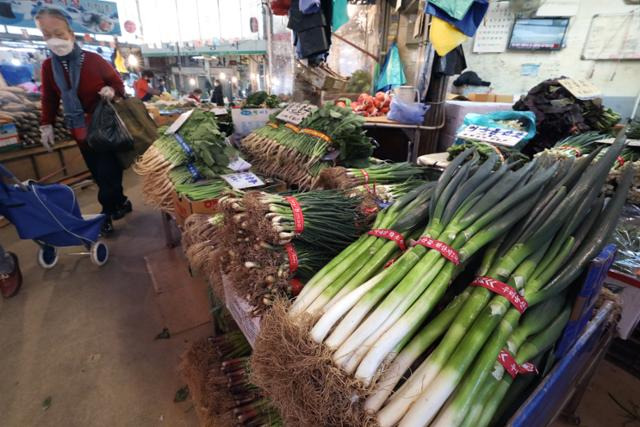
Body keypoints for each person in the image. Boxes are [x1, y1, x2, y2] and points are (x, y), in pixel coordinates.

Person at [37, 7, 130, 235]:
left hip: (103, 128)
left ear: (70, 31)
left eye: (58, 33)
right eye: (47, 35)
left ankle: (105, 214)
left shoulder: (93, 60)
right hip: (79, 131)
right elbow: (48, 98)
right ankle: (120, 203)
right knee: (99, 174)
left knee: (108, 171)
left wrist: (111, 90)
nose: (54, 40)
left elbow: (119, 86)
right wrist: (45, 124)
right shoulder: (49, 67)